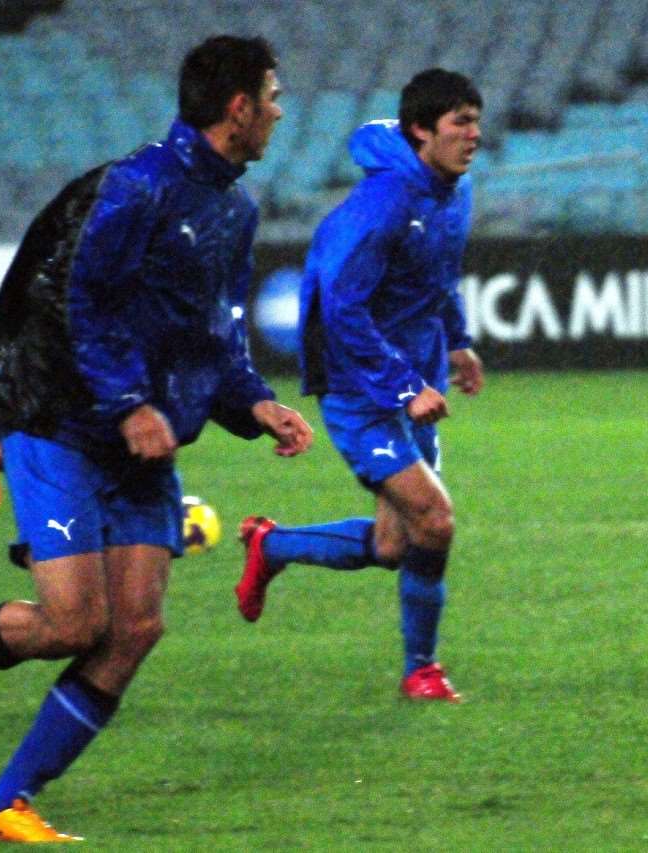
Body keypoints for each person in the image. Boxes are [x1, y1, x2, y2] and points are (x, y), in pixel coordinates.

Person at [0, 34, 312, 844]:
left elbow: (217, 335)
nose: (281, 113)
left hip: (144, 443)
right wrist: (128, 402)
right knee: (74, 623)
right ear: (238, 107)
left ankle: (3, 802)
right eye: (273, 97)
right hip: (64, 425)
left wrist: (255, 403)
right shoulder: (135, 186)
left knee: (135, 627)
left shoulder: (235, 208)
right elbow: (79, 301)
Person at [234, 68, 484, 703]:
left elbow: (438, 277)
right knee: (435, 520)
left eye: (476, 121)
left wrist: (456, 340)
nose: (474, 135)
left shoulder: (454, 191)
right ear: (421, 130)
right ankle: (421, 670)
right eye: (460, 123)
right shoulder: (382, 204)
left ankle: (272, 545)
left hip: (413, 375)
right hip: (357, 384)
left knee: (394, 543)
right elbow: (342, 309)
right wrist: (402, 388)